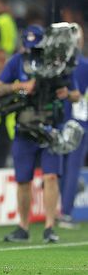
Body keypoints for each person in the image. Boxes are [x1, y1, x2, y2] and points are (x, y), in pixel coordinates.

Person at [0, 25, 78, 243]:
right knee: (23, 180)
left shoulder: (57, 63)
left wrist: (66, 93)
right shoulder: (17, 61)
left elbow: (76, 94)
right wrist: (20, 86)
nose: (32, 51)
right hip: (25, 128)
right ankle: (23, 226)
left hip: (51, 127)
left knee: (50, 177)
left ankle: (49, 226)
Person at [59, 27, 88, 229]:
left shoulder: (59, 64)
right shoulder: (84, 65)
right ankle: (66, 212)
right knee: (72, 167)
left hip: (61, 119)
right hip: (79, 120)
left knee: (60, 166)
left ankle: (57, 209)